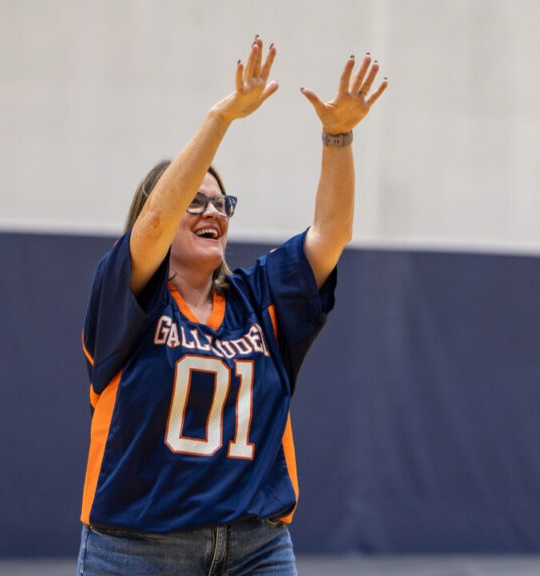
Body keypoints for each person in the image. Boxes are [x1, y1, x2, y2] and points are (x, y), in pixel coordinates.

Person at [77, 35, 386, 576]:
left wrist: (338, 136)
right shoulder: (124, 296)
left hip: (255, 546)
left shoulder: (261, 297)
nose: (213, 211)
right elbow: (151, 225)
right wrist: (221, 118)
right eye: (195, 199)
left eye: (222, 203)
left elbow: (332, 234)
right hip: (140, 546)